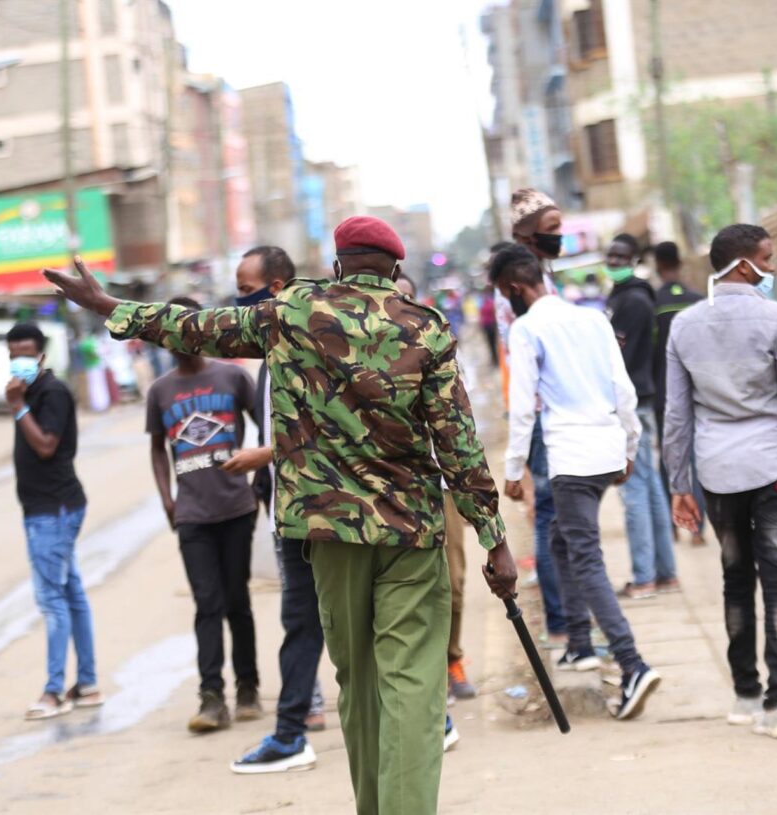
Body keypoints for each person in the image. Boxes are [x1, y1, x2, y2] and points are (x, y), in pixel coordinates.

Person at [44, 216, 518, 815]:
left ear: (340, 264)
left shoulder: (290, 312)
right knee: (413, 687)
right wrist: (493, 537)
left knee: (358, 681)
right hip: (409, 530)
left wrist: (112, 304)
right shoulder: (423, 328)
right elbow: (458, 441)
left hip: (328, 531)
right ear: (395, 271)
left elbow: (198, 329)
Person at [663, 224, 777, 739]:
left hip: (717, 475)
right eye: (767, 257)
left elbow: (677, 414)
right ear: (743, 265)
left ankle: (743, 694)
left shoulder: (684, 326)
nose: (774, 267)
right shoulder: (775, 317)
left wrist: (679, 482)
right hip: (775, 469)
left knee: (736, 579)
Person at [494, 244, 661, 717]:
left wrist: (513, 470)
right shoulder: (591, 318)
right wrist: (629, 446)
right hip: (606, 445)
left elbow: (524, 405)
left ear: (514, 289)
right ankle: (580, 643)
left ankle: (632, 664)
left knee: (584, 556)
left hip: (570, 456)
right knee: (560, 540)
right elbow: (623, 389)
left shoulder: (527, 329)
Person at [222, 246, 329, 773]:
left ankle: (429, 718)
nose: (240, 300)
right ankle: (292, 729)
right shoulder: (269, 349)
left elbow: (324, 429)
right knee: (304, 620)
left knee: (355, 620)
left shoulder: (309, 343)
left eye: (247, 290)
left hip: (322, 510)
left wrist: (262, 456)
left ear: (278, 287)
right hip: (285, 505)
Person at [146, 295, 262, 734]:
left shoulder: (232, 376)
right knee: (206, 604)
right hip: (192, 515)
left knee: (237, 601)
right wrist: (167, 500)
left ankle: (248, 687)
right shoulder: (160, 390)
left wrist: (257, 476)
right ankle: (211, 698)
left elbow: (265, 425)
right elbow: (157, 449)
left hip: (236, 507)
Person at [5, 322, 103, 719]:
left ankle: (54, 691)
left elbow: (46, 446)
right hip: (47, 508)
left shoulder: (52, 392)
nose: (19, 361)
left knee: (52, 600)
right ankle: (89, 683)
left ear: (42, 356)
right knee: (71, 594)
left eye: (26, 354)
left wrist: (17, 407)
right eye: (13, 355)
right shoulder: (27, 391)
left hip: (54, 510)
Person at [395, 273, 476, 702]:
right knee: (402, 590)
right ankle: (413, 674)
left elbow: (460, 428)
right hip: (390, 493)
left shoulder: (438, 347)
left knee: (454, 581)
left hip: (439, 487)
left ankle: (452, 660)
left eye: (408, 299)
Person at [509, 189, 568, 647]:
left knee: (564, 521)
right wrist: (518, 460)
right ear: (527, 237)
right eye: (551, 231)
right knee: (549, 517)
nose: (559, 237)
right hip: (543, 421)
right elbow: (521, 371)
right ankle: (563, 624)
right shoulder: (518, 289)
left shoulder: (547, 280)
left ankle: (571, 619)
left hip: (562, 417)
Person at [604, 233, 677, 598]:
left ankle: (645, 576)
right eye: (611, 256)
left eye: (621, 256)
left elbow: (621, 360)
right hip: (642, 398)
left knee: (633, 489)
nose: (614, 262)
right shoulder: (631, 296)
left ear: (633, 260)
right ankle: (665, 573)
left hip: (631, 403)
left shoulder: (631, 301)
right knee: (648, 487)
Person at [651, 240, 707, 547]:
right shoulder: (698, 301)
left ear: (658, 265)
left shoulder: (654, 303)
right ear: (680, 263)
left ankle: (672, 525)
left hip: (663, 394)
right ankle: (698, 528)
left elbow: (649, 351)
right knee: (697, 457)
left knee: (668, 457)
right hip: (698, 392)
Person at [479, 291, 498, 367]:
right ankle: (494, 359)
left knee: (492, 344)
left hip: (489, 326)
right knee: (492, 344)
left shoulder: (485, 304)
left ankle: (495, 359)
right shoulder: (489, 303)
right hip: (489, 326)